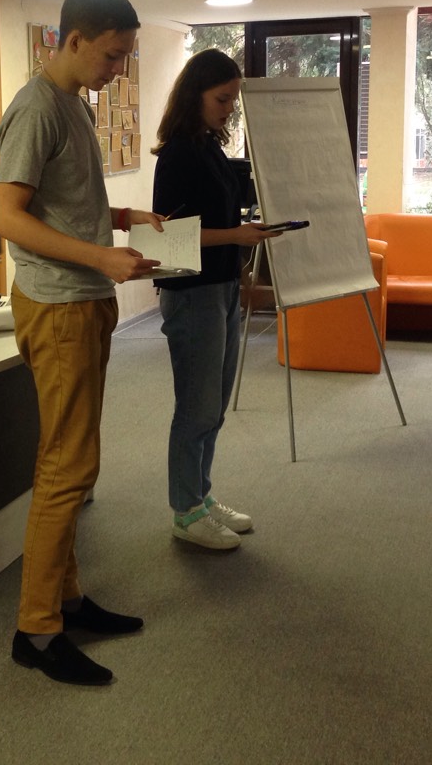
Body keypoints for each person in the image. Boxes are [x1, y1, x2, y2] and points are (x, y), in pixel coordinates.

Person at [0, 0, 163, 686]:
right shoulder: (36, 108)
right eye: (113, 56)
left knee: (72, 461)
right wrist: (101, 256)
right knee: (67, 470)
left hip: (83, 301)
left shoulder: (71, 103)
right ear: (73, 40)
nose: (118, 70)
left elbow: (61, 203)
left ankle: (65, 600)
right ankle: (36, 630)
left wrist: (122, 219)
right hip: (60, 305)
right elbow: (7, 218)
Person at [150, 49, 279, 550]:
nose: (229, 108)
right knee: (196, 407)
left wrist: (240, 260)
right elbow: (169, 236)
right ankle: (185, 512)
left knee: (215, 405)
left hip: (221, 286)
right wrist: (236, 237)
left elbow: (221, 217)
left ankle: (200, 497)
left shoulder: (208, 146)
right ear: (195, 95)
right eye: (222, 99)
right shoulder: (178, 155)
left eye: (233, 100)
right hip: (191, 294)